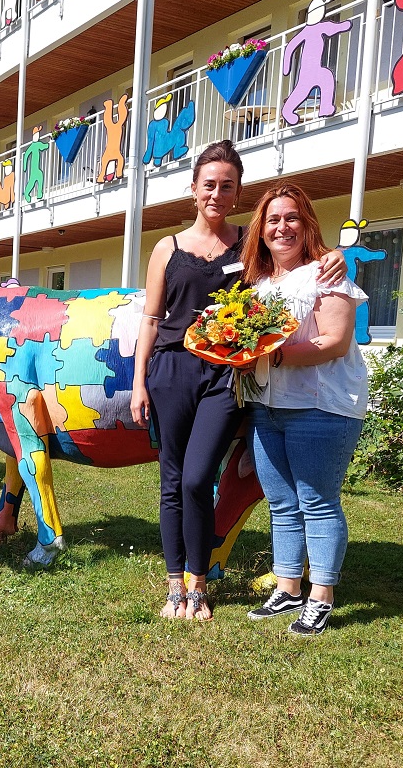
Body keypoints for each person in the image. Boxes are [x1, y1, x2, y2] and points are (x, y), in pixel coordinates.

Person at [130, 141, 347, 621]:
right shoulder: (167, 248)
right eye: (209, 184)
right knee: (171, 480)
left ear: (237, 191)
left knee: (198, 477)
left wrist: (336, 257)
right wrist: (140, 382)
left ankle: (200, 581)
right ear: (193, 190)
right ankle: (175, 586)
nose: (217, 193)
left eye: (227, 185)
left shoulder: (251, 243)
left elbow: (301, 257)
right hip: (171, 370)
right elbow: (149, 319)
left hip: (228, 376)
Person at [241, 183, 369, 636]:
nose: (282, 227)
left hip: (321, 405)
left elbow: (333, 342)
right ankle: (289, 586)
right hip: (267, 405)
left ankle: (321, 596)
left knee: (316, 502)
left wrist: (267, 354)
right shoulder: (257, 284)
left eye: (291, 218)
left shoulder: (326, 274)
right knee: (281, 503)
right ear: (261, 230)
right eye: (273, 220)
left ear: (307, 224)